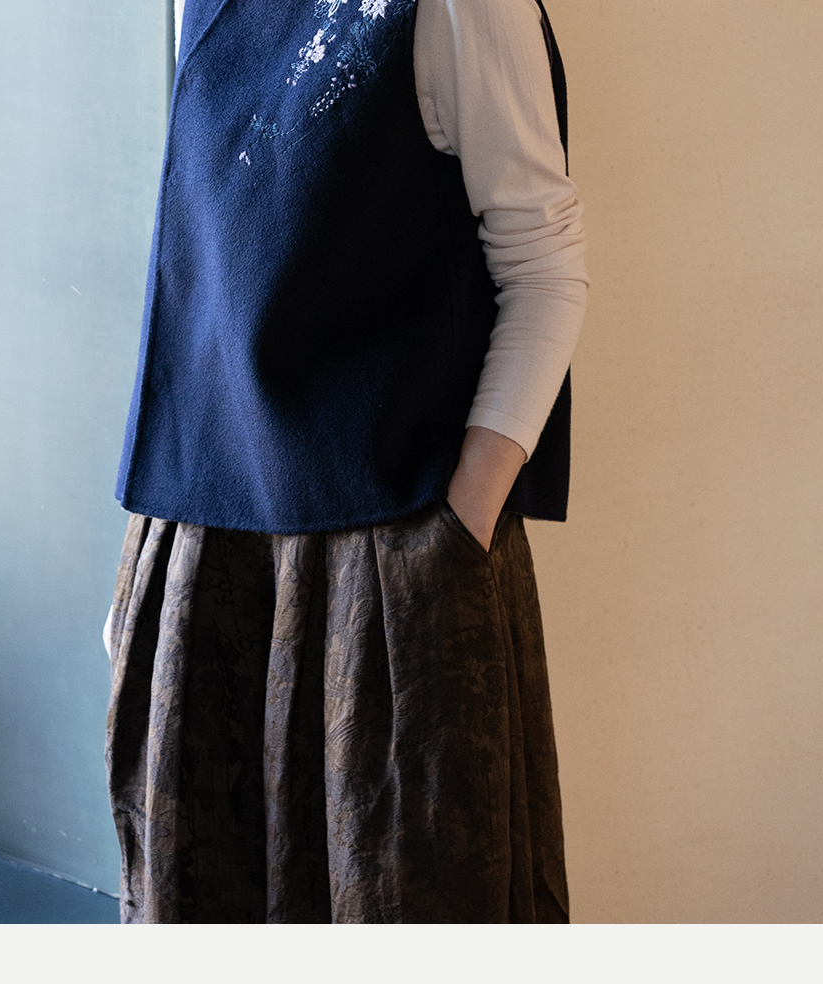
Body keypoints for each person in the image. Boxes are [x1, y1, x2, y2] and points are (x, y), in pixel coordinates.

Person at [104, 0, 588, 923]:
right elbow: (200, 273)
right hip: (207, 546)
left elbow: (543, 266)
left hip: (391, 558)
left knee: (404, 899)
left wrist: (460, 527)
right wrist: (147, 564)